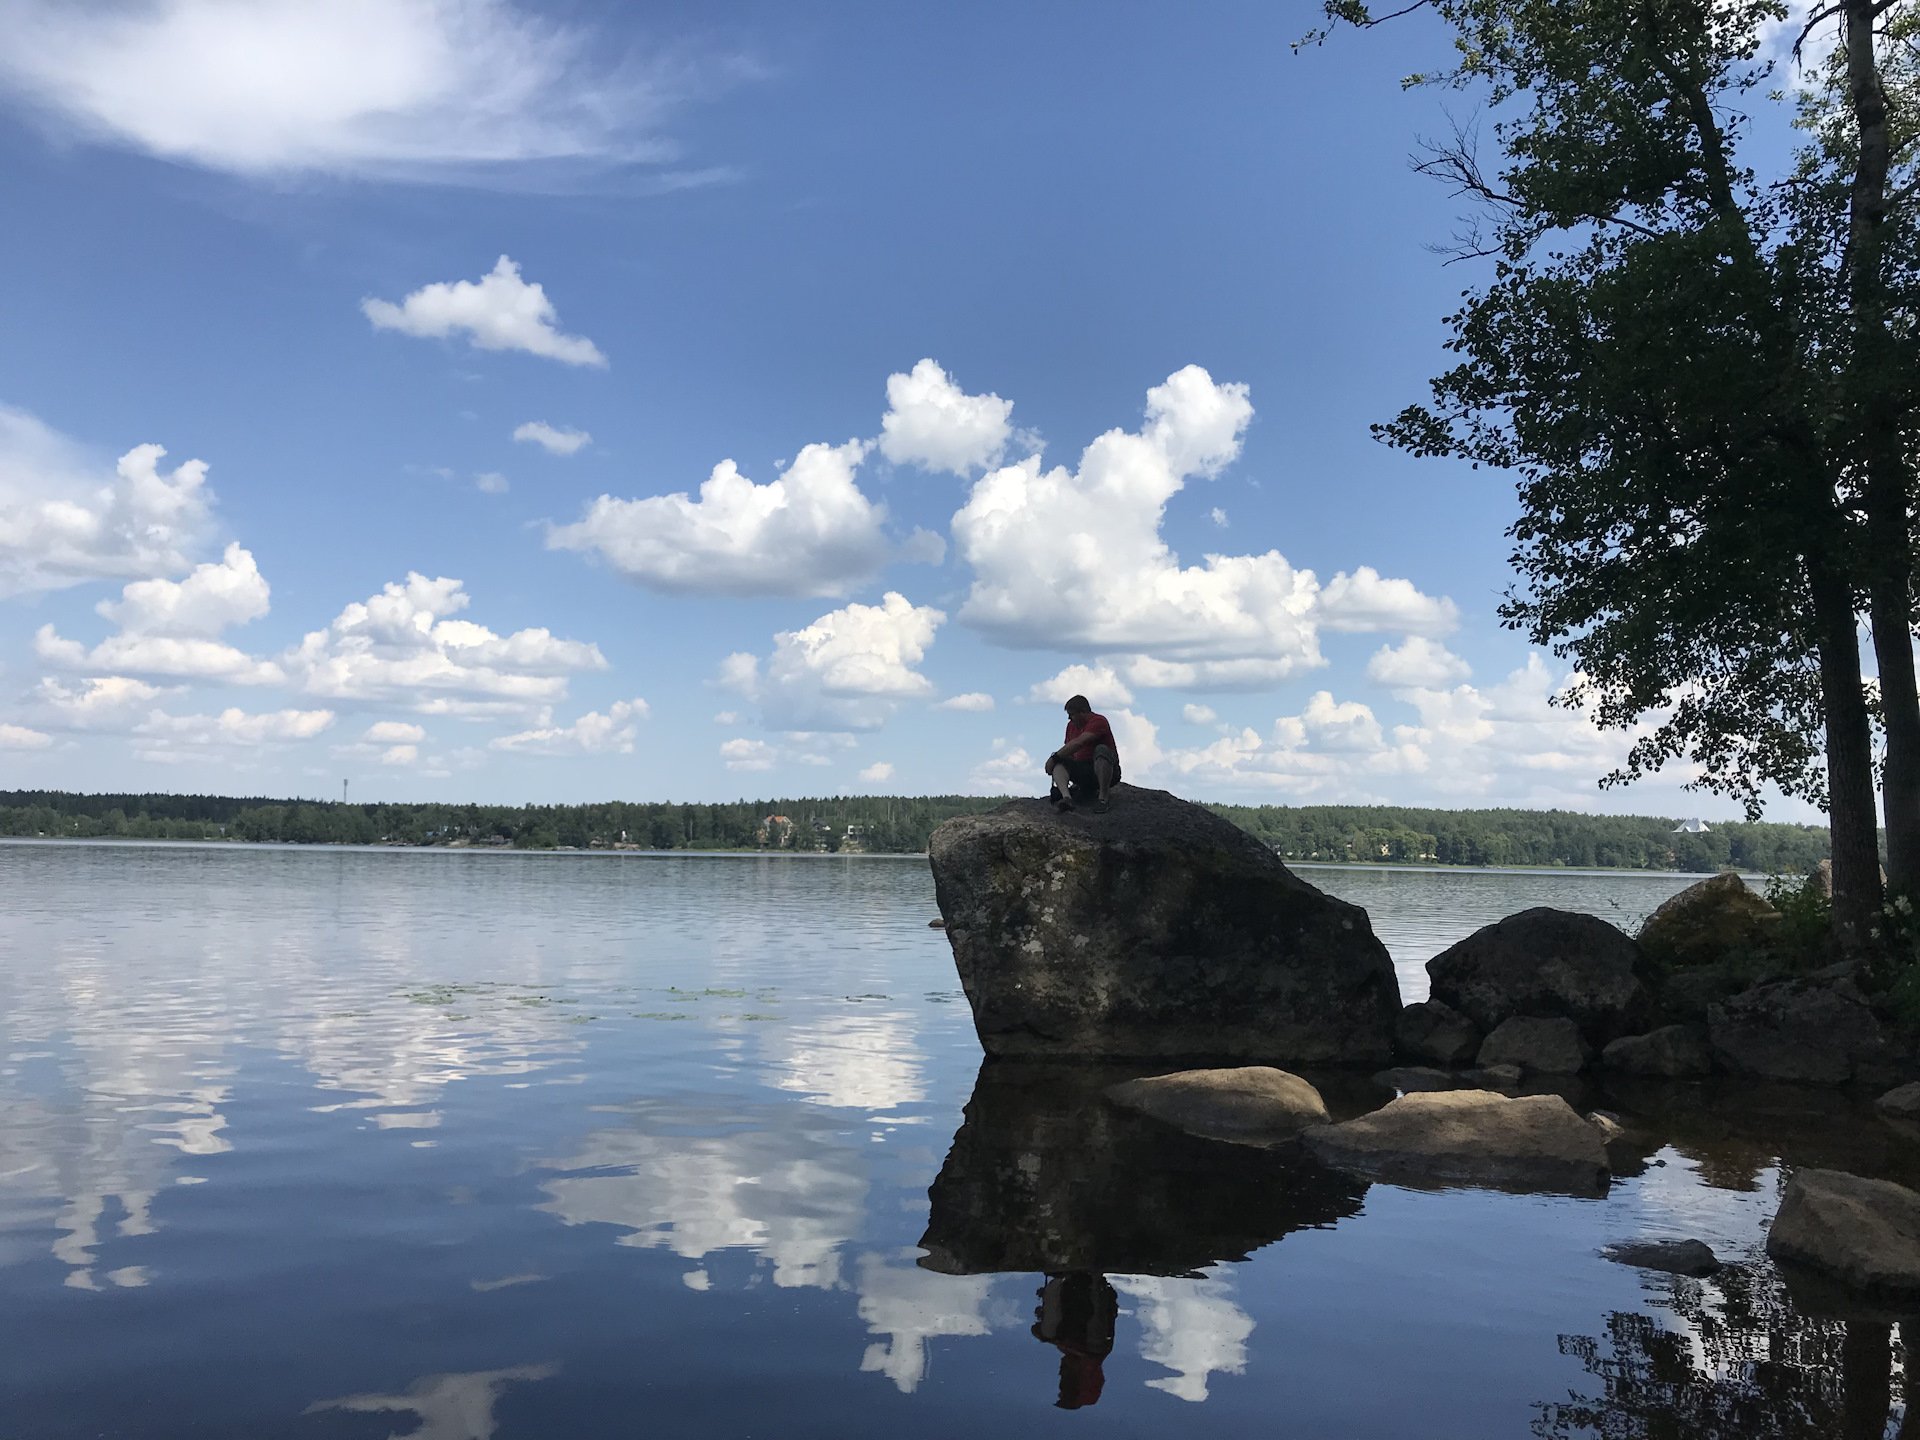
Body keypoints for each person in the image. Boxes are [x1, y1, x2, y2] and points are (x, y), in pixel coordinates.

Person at [1045, 694, 1120, 814]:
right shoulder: (1071, 726)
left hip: (1105, 769)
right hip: (1083, 770)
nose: (1069, 718)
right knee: (1061, 761)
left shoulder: (1099, 721)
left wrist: (1054, 758)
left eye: (1072, 714)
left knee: (1101, 751)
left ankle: (1103, 798)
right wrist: (1057, 762)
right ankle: (1066, 798)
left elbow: (1079, 742)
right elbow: (1069, 750)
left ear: (1083, 712)